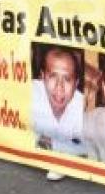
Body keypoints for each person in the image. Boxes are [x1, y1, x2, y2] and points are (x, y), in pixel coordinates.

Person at [32, 45, 86, 180]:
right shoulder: (30, 92)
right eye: (53, 77)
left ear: (76, 83)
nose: (59, 87)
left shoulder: (82, 106)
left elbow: (89, 149)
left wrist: (52, 145)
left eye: (67, 79)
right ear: (43, 76)